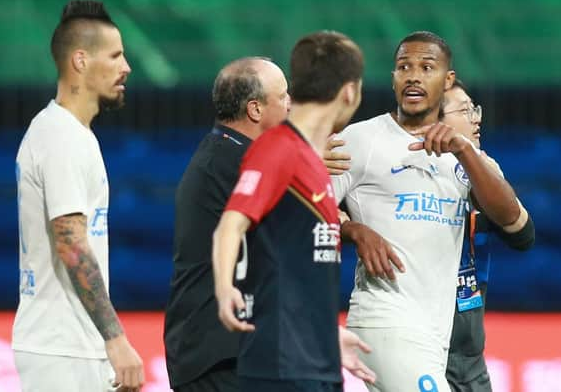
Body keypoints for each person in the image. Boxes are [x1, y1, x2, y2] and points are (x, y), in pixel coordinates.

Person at [327, 31, 523, 392]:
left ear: (447, 80)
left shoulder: (464, 153)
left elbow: (514, 223)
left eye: (426, 67)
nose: (413, 75)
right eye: (404, 67)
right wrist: (355, 230)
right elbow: (307, 208)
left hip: (438, 333)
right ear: (394, 78)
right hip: (385, 320)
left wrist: (465, 152)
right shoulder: (361, 140)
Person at [212, 30, 376, 392]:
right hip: (280, 366)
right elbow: (229, 224)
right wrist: (224, 289)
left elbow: (294, 267)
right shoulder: (278, 150)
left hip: (313, 361)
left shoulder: (310, 159)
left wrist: (327, 336)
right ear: (350, 91)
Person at [12, 0, 144, 392]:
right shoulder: (61, 137)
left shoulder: (70, 133)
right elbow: (70, 243)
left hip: (72, 347)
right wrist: (116, 339)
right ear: (81, 61)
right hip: (61, 350)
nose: (127, 68)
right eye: (117, 55)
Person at [163, 56, 290, 392]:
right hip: (218, 355)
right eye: (284, 96)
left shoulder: (225, 155)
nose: (291, 106)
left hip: (229, 350)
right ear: (256, 110)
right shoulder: (230, 162)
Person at [440, 79, 535, 392]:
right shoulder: (396, 167)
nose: (476, 118)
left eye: (475, 109)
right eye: (465, 110)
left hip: (469, 356)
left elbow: (523, 235)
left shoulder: (484, 167)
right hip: (420, 350)